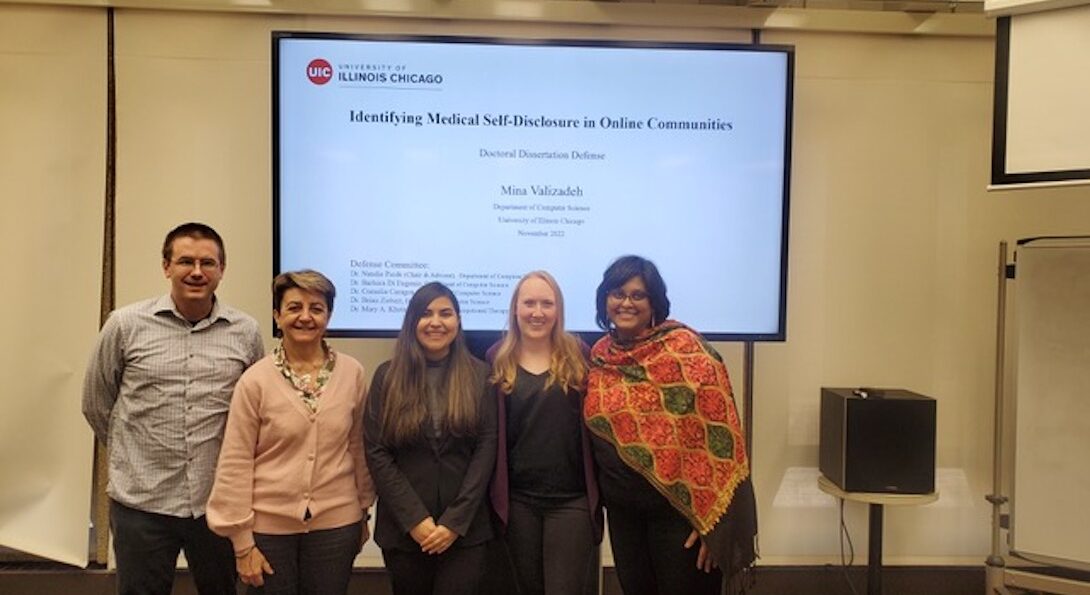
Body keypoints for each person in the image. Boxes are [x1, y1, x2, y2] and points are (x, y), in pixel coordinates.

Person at [82, 222, 264, 595]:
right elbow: (96, 403)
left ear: (222, 270)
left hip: (216, 502)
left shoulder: (246, 331)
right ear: (166, 267)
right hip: (141, 502)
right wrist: (134, 456)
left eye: (207, 263)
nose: (197, 272)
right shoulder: (125, 324)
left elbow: (254, 412)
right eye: (185, 261)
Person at [584, 255, 758, 595]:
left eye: (638, 295)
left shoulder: (688, 352)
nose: (626, 303)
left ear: (654, 303)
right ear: (605, 299)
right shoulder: (601, 356)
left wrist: (715, 524)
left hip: (680, 518)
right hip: (624, 517)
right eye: (617, 293)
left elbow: (722, 439)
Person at [206, 270, 374, 594]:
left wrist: (363, 512)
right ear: (277, 315)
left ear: (328, 316)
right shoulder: (255, 380)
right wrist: (242, 543)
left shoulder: (353, 373)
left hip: (337, 526)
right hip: (267, 530)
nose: (305, 317)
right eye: (295, 307)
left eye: (317, 308)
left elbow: (358, 447)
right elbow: (235, 460)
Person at [364, 282, 497, 595]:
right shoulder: (387, 376)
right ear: (412, 323)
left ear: (458, 321)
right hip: (404, 532)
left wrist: (454, 522)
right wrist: (415, 520)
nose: (436, 321)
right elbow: (377, 451)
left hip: (465, 531)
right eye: (425, 314)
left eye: (445, 313)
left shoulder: (481, 375)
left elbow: (486, 449)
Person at [488, 271, 602, 595]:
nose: (537, 312)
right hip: (519, 503)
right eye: (529, 303)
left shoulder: (580, 355)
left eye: (546, 304)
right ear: (515, 308)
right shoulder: (497, 359)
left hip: (572, 502)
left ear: (558, 310)